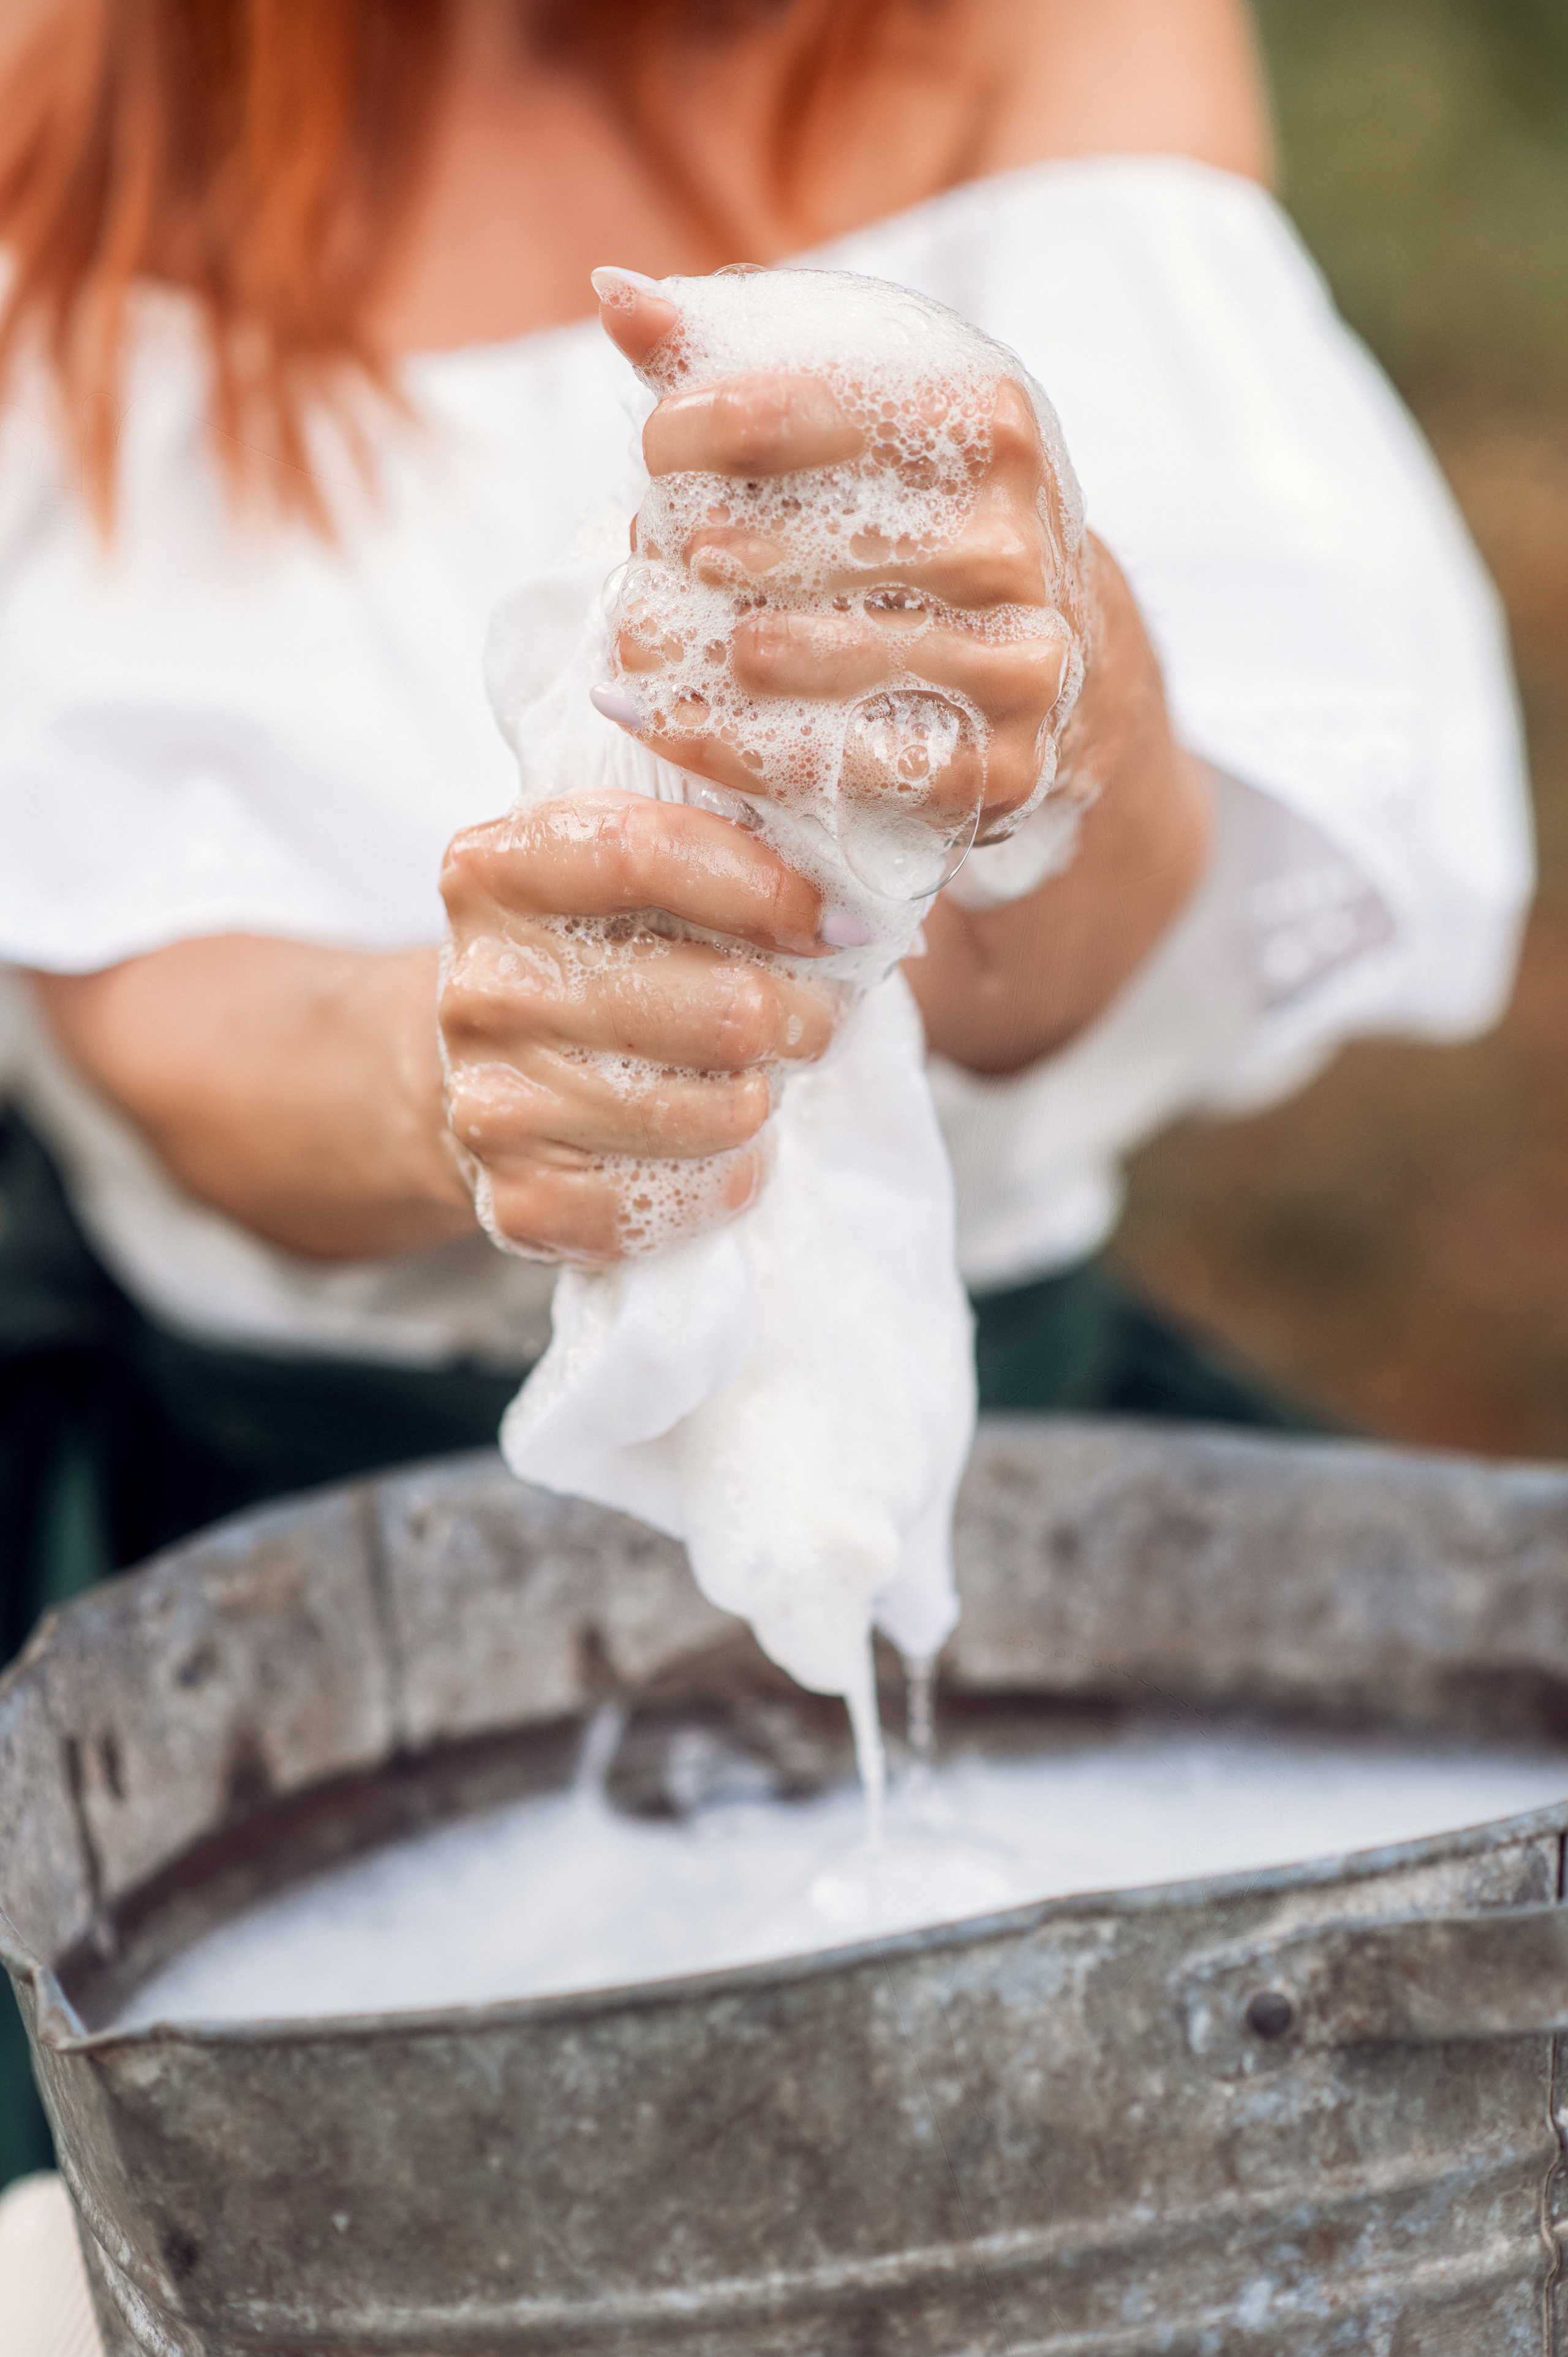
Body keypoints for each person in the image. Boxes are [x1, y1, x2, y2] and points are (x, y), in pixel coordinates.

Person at [0, 0, 1531, 2195]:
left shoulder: (1044, 37)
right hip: (239, 1574)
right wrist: (478, 1057)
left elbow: (1062, 968)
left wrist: (1038, 699)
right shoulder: (72, 92)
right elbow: (166, 1019)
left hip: (1009, 1496)